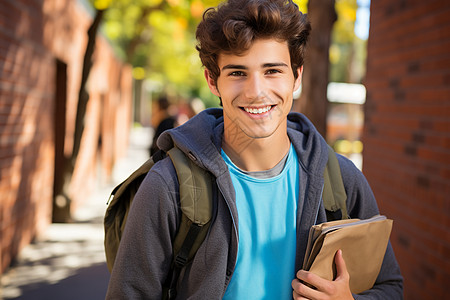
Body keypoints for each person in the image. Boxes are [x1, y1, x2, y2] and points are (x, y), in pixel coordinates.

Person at [106, 0, 403, 299]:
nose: (256, 91)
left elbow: (390, 288)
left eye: (272, 70)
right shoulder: (168, 185)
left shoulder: (341, 179)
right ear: (213, 81)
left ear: (296, 76)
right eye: (237, 73)